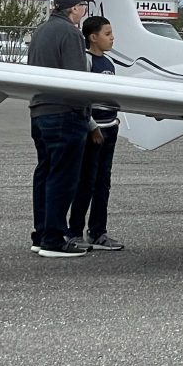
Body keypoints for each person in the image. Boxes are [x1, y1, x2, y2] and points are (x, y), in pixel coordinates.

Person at [27, 0, 97, 258]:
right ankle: (54, 240)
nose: (84, 10)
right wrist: (88, 116)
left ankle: (41, 234)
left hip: (40, 110)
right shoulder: (70, 33)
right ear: (74, 8)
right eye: (83, 5)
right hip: (65, 112)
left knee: (45, 173)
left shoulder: (41, 31)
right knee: (63, 177)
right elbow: (76, 79)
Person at [66, 16, 125, 251]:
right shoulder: (86, 61)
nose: (112, 38)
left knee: (103, 183)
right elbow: (81, 98)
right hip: (94, 131)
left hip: (110, 128)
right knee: (86, 183)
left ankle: (98, 232)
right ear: (93, 37)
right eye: (107, 34)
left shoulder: (109, 63)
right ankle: (74, 232)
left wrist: (115, 120)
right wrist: (92, 127)